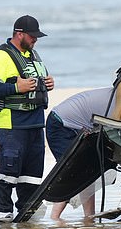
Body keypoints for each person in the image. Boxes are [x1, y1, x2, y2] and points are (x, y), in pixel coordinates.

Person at [0, 15, 54, 221]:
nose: (35, 40)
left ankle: (27, 212)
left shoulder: (33, 54)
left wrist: (47, 83)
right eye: (32, 36)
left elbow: (36, 81)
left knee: (32, 174)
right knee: (9, 171)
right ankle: (3, 213)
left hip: (36, 122)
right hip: (12, 124)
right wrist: (15, 87)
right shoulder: (1, 56)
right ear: (19, 34)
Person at [45, 87, 116, 220]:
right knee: (70, 172)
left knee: (88, 172)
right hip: (61, 124)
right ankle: (54, 218)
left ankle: (89, 217)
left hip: (78, 125)